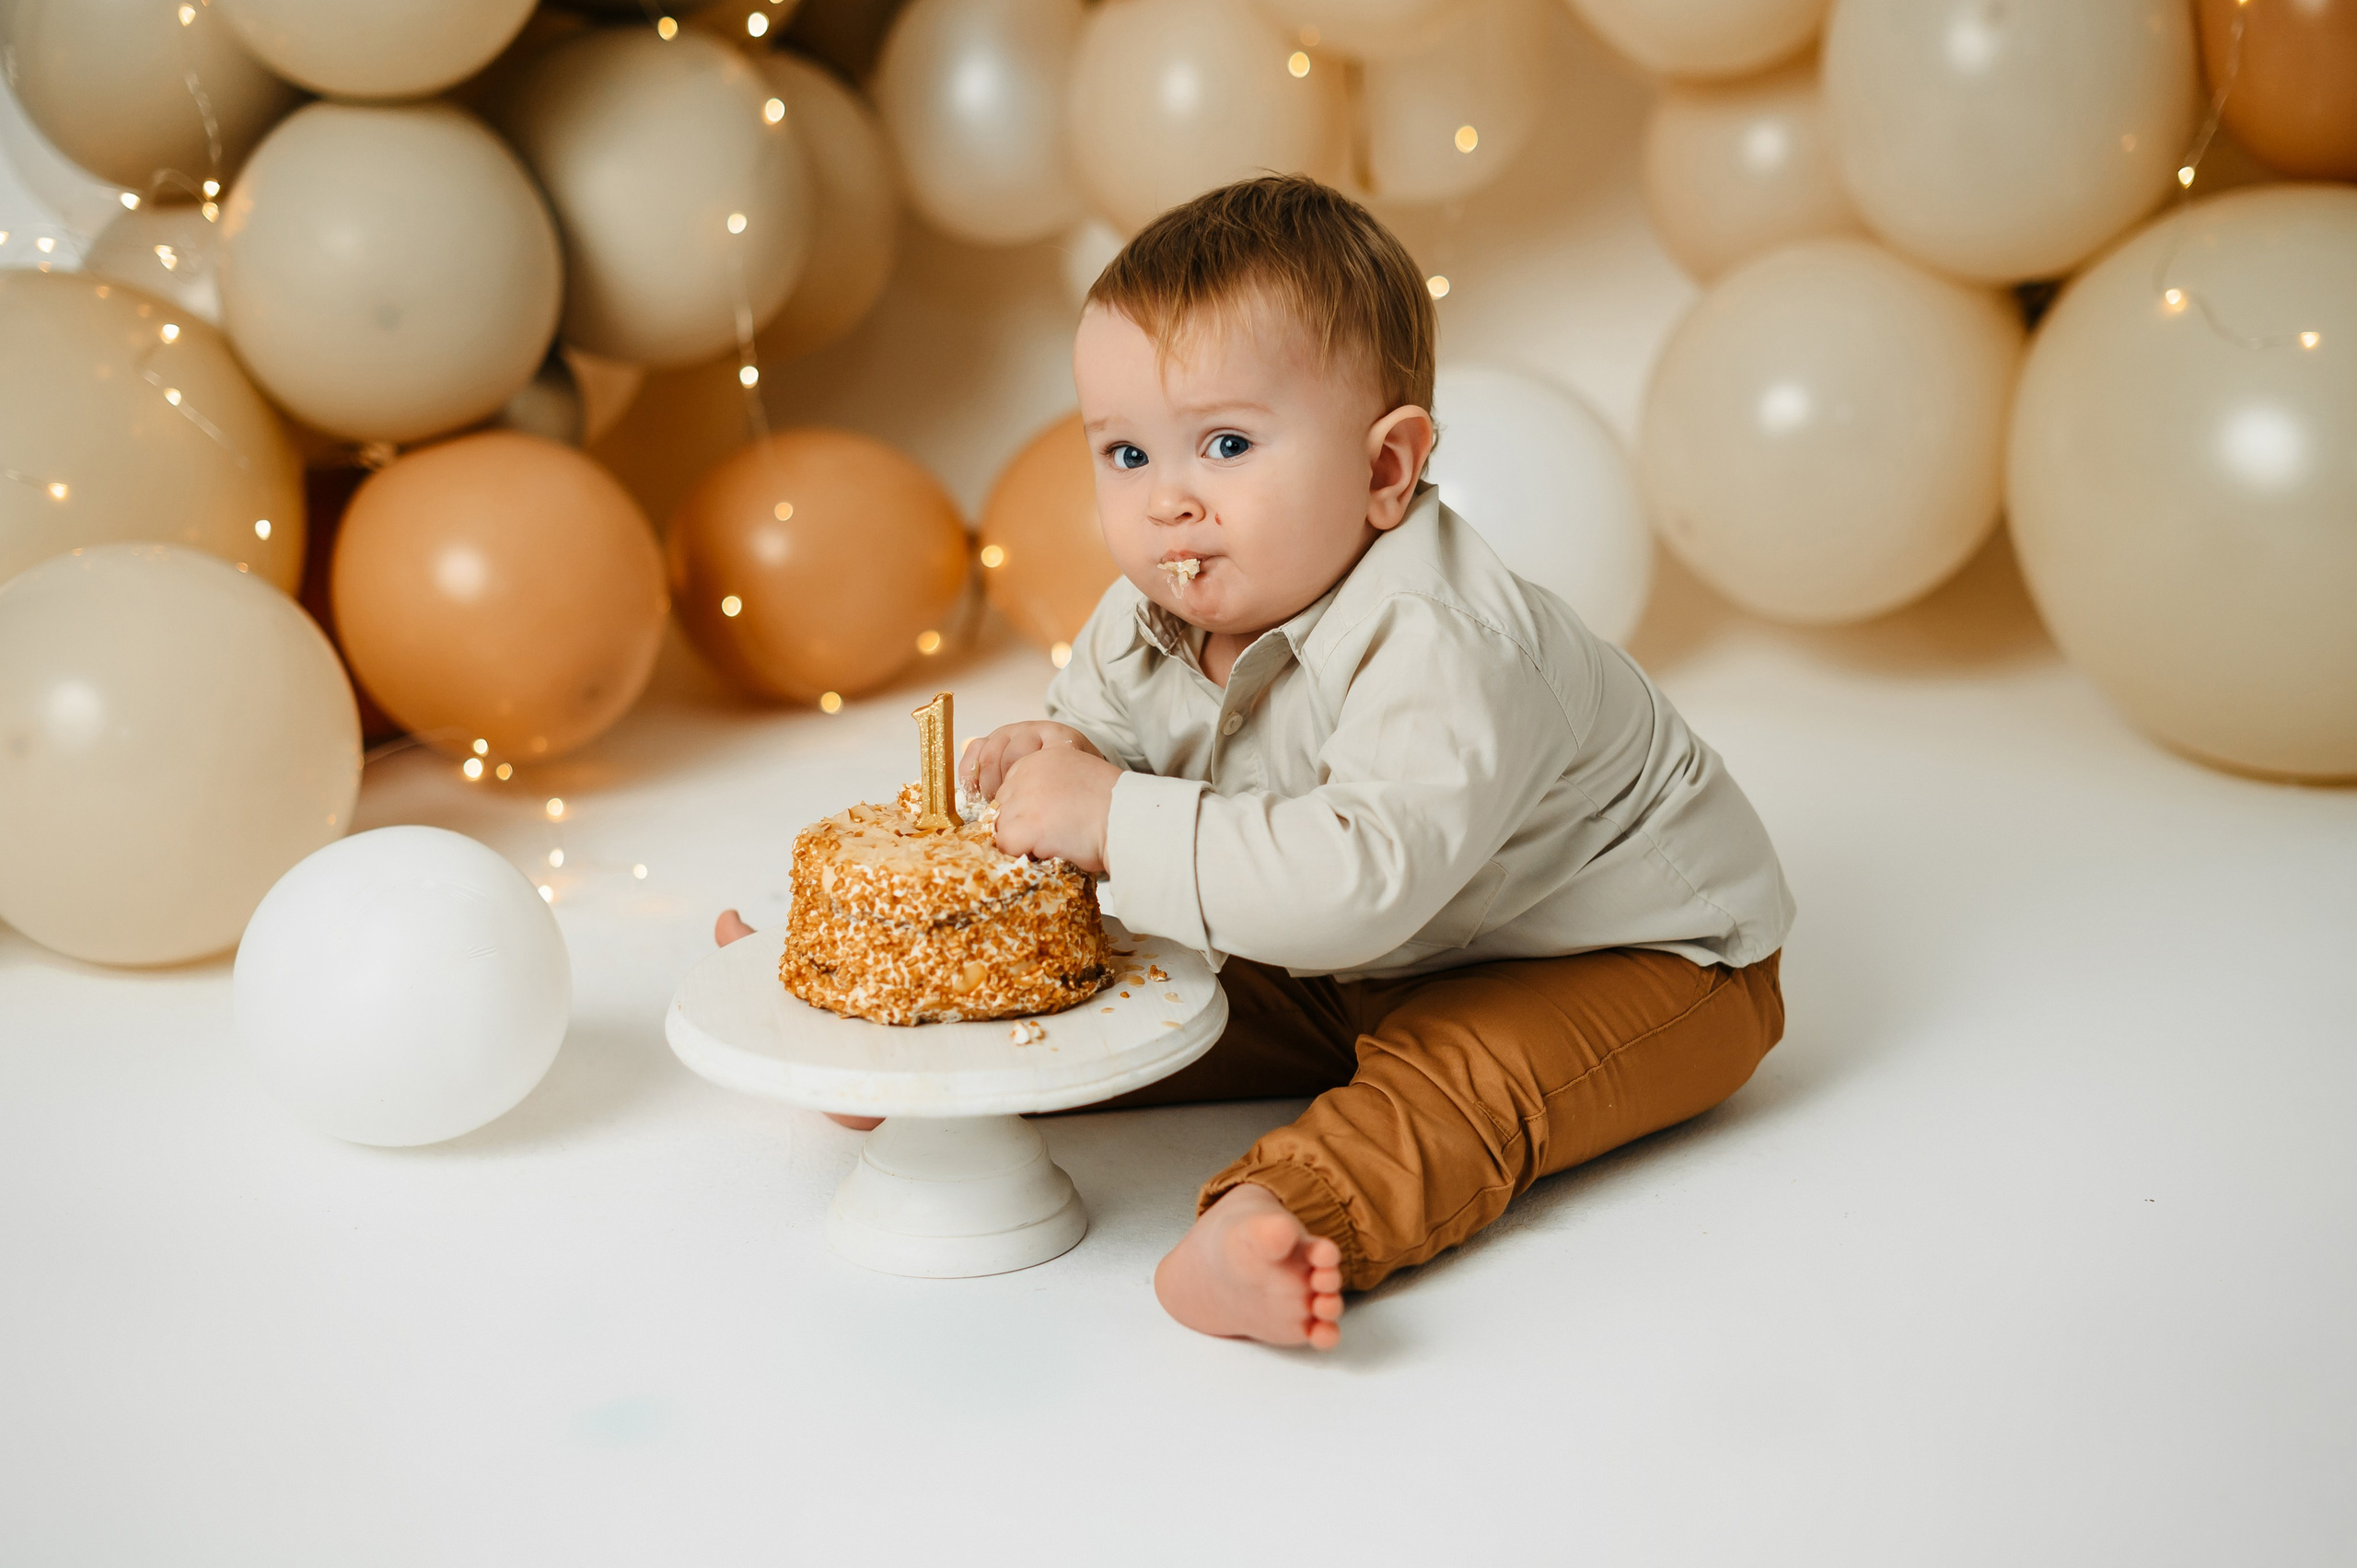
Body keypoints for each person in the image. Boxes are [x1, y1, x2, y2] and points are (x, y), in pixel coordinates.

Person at [720, 174, 1794, 1351]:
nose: (1166, 502)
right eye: (1126, 452)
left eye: (1225, 444)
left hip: (1625, 958)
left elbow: (1358, 880)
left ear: (1384, 470)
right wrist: (1063, 756)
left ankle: (1282, 1218)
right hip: (1357, 950)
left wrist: (1109, 814)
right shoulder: (1153, 613)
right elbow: (1113, 751)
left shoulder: (1444, 638)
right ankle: (912, 1047)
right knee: (1139, 986)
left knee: (1464, 1081)